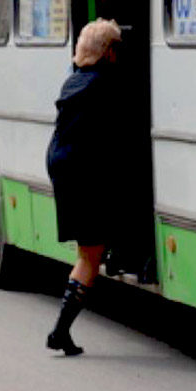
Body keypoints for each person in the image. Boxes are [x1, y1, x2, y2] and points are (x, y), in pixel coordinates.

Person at [45, 18, 126, 356]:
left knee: (87, 251)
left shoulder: (73, 81)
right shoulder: (106, 84)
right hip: (82, 171)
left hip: (61, 165)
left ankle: (61, 331)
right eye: (117, 47)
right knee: (89, 256)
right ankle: (60, 331)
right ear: (108, 52)